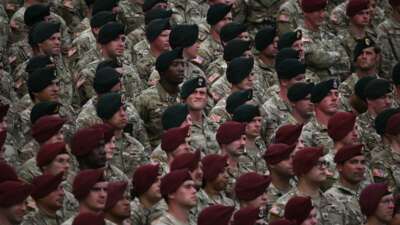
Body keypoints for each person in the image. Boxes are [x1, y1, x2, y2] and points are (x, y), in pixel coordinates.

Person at [135, 48, 184, 148]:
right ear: (163, 71)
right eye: (175, 65)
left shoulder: (186, 95)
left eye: (182, 64)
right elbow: (136, 129)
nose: (181, 69)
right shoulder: (146, 98)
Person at [325, 144, 366, 225]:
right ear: (339, 167)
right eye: (354, 162)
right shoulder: (331, 198)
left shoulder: (366, 193)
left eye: (362, 162)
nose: (360, 167)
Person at [300, 79, 340, 152]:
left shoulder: (344, 127)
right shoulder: (307, 132)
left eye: (336, 94)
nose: (334, 98)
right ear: (317, 100)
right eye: (328, 95)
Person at [263, 143, 296, 207]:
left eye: (293, 157)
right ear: (272, 164)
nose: (292, 162)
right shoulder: (263, 195)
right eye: (286, 158)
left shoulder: (299, 188)